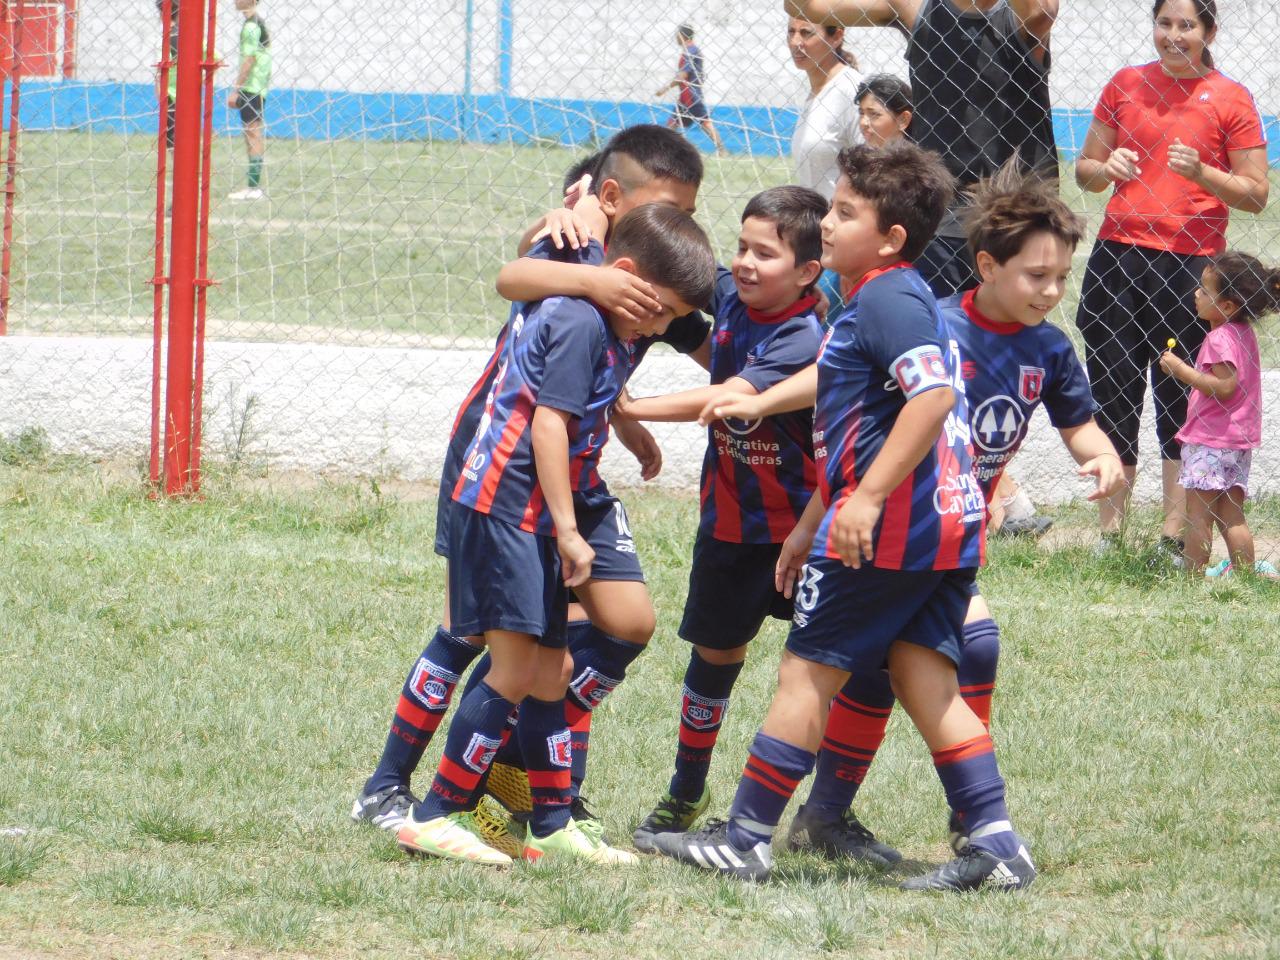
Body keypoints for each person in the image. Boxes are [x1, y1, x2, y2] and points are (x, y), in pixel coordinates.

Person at [655, 141, 1036, 892]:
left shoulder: (889, 296)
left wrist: (861, 502)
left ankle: (746, 836)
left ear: (891, 237)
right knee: (930, 682)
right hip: (940, 529)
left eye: (845, 212)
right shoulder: (887, 294)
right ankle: (998, 846)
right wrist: (808, 525)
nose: (826, 223)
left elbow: (931, 399)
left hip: (891, 530)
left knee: (805, 673)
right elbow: (863, 424)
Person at [350, 125, 709, 836]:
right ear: (610, 197)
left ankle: (520, 771)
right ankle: (392, 786)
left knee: (622, 624)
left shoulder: (655, 279)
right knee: (472, 632)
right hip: (499, 462)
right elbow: (513, 277)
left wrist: (625, 415)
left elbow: (703, 346)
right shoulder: (583, 255)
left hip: (572, 464)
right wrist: (587, 268)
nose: (680, 222)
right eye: (667, 205)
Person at [784, 162, 1124, 867]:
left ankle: (904, 817)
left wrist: (1102, 458)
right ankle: (958, 820)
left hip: (948, 536)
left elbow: (1079, 425)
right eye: (1037, 275)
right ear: (987, 267)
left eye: (1062, 276)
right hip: (894, 526)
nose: (1053, 291)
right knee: (947, 650)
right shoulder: (927, 324)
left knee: (912, 662)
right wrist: (821, 508)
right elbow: (860, 423)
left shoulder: (1050, 349)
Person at [596, 186, 826, 852]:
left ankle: (824, 809)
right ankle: (687, 789)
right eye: (742, 248)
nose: (747, 264)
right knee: (714, 658)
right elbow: (671, 295)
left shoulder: (802, 333)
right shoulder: (732, 297)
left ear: (808, 272)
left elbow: (729, 398)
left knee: (824, 670)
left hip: (799, 534)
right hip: (729, 523)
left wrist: (630, 409)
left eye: (766, 254)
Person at [1074, 0, 1268, 552]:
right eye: (1165, 23)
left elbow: (1256, 194)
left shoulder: (1230, 97)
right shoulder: (1126, 83)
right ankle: (1110, 531)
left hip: (1190, 266)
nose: (1174, 36)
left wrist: (1203, 171)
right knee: (1113, 390)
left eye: (1187, 26)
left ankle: (1173, 531)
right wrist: (1102, 169)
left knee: (1180, 398)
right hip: (1119, 256)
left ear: (1209, 32)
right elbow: (1085, 170)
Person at [789, 0, 1058, 299]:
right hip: (940, 219)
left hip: (1015, 219)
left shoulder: (1019, 17)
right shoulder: (919, 9)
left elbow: (1042, 12)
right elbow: (807, 7)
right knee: (936, 331)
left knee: (1009, 335)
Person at [1159, 252, 1279, 576]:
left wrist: (1180, 370)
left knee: (1197, 515)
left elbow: (1225, 386)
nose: (1195, 294)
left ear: (1227, 306)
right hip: (1235, 442)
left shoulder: (1218, 338)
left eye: (1204, 290)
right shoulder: (1243, 334)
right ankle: (1245, 575)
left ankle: (1192, 580)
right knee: (1232, 515)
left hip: (1210, 440)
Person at [656, 24, 725, 154]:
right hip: (687, 94)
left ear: (682, 35)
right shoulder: (692, 50)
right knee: (674, 122)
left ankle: (722, 150)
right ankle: (661, 149)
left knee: (703, 122)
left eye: (677, 35)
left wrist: (665, 88)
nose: (675, 37)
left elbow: (683, 75)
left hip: (690, 94)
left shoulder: (690, 52)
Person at [228, 0, 272, 201]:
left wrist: (236, 89)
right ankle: (253, 186)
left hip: (250, 88)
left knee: (252, 134)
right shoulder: (258, 22)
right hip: (257, 87)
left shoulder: (251, 26)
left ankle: (253, 188)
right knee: (252, 133)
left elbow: (249, 59)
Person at [855, 73, 912, 148]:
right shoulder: (859, 157)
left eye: (874, 114)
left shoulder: (915, 159)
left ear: (903, 120)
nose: (863, 123)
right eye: (861, 113)